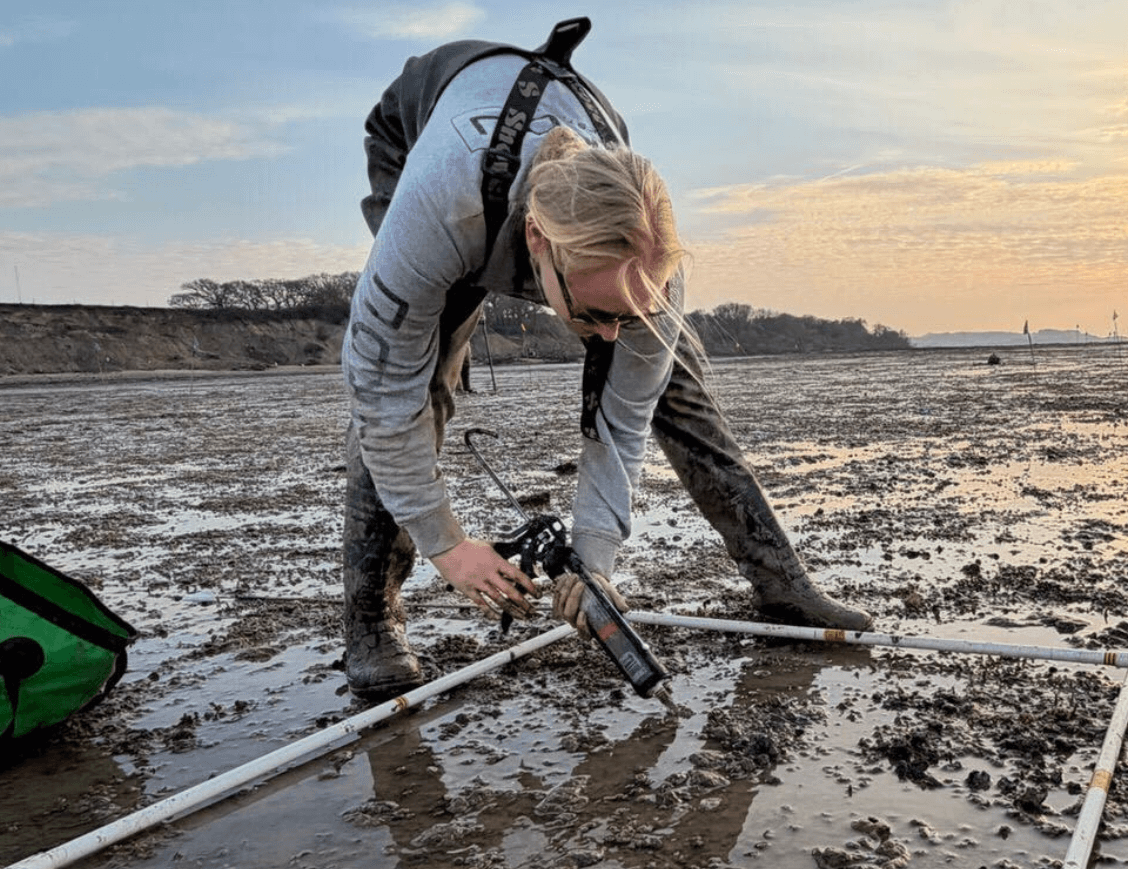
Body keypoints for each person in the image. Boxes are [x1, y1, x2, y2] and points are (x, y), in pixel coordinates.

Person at [341, 24, 872, 701]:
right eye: (594, 317)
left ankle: (781, 584)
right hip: (419, 131)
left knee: (677, 386)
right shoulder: (439, 211)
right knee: (415, 375)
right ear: (535, 244)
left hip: (561, 155)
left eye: (630, 314)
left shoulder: (651, 265)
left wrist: (592, 562)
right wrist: (446, 543)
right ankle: (370, 618)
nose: (610, 337)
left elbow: (620, 427)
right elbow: (379, 390)